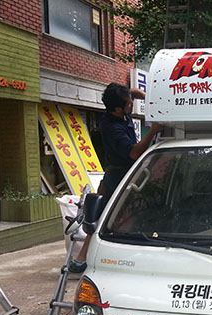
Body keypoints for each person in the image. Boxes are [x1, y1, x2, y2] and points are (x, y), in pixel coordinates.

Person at [68, 82, 164, 273]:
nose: (132, 104)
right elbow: (134, 153)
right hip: (117, 176)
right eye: (129, 103)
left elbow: (132, 92)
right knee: (106, 217)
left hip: (129, 173)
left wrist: (149, 98)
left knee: (131, 214)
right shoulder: (112, 127)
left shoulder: (121, 107)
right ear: (118, 109)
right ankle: (82, 259)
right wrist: (153, 131)